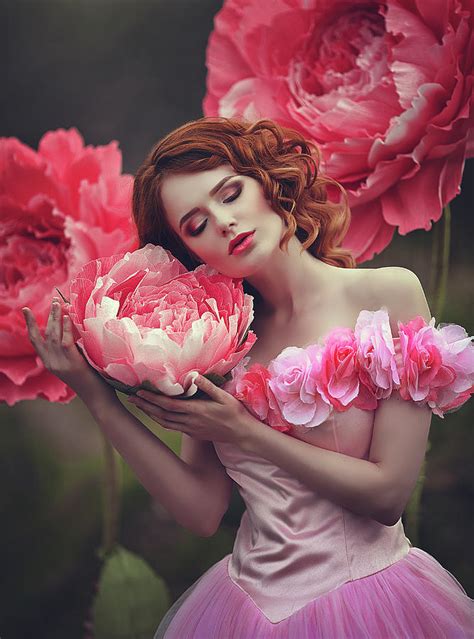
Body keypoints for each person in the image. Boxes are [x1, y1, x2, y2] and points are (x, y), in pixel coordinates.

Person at [23, 117, 473, 638]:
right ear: (189, 252)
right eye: (195, 224)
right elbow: (201, 511)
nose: (225, 222)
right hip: (245, 612)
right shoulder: (211, 345)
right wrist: (99, 399)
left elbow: (387, 495)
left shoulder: (386, 296)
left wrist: (246, 432)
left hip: (373, 601)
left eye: (230, 193)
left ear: (268, 181)